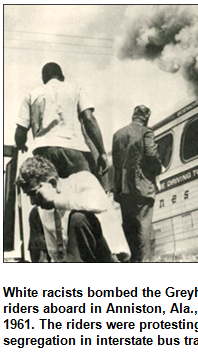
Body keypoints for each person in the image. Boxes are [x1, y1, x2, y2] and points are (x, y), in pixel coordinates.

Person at [14, 62, 109, 260]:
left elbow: (20, 131)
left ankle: (48, 256)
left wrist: (21, 144)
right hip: (74, 150)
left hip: (44, 151)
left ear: (43, 78)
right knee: (84, 196)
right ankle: (105, 252)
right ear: (61, 76)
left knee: (43, 202)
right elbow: (89, 119)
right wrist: (101, 152)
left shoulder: (32, 94)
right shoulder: (75, 87)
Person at [16, 156, 130, 263]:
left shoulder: (82, 179)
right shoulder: (39, 210)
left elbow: (100, 203)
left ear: (52, 183)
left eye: (33, 193)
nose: (32, 201)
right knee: (34, 213)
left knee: (78, 217)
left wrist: (55, 200)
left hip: (106, 260)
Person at [112, 105, 163, 262]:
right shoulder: (146, 131)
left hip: (123, 190)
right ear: (146, 118)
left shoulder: (117, 135)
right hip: (142, 187)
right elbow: (151, 154)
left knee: (130, 229)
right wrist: (158, 169)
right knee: (144, 229)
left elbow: (116, 163)